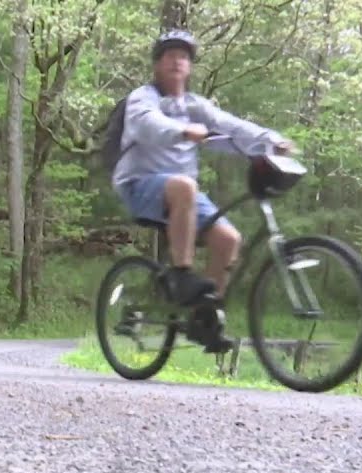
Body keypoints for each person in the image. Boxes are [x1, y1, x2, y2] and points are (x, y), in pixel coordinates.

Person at [112, 29, 296, 353]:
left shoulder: (197, 106)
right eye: (169, 54)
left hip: (182, 192)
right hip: (139, 183)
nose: (177, 60)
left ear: (190, 66)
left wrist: (271, 141)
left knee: (229, 240)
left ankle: (202, 318)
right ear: (157, 63)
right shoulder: (144, 97)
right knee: (185, 185)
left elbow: (233, 127)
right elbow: (147, 124)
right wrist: (183, 130)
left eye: (183, 56)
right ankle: (182, 274)